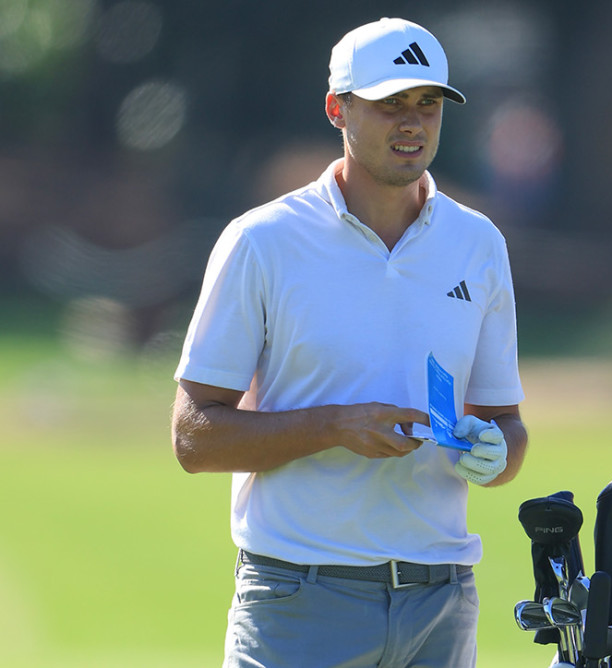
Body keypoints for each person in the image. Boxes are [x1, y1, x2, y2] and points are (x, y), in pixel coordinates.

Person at [170, 17, 528, 668]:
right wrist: (336, 425)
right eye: (390, 104)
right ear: (338, 109)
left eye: (428, 104)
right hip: (299, 598)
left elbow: (506, 424)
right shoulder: (263, 242)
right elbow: (194, 436)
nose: (413, 122)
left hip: (441, 604)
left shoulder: (479, 245)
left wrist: (497, 451)